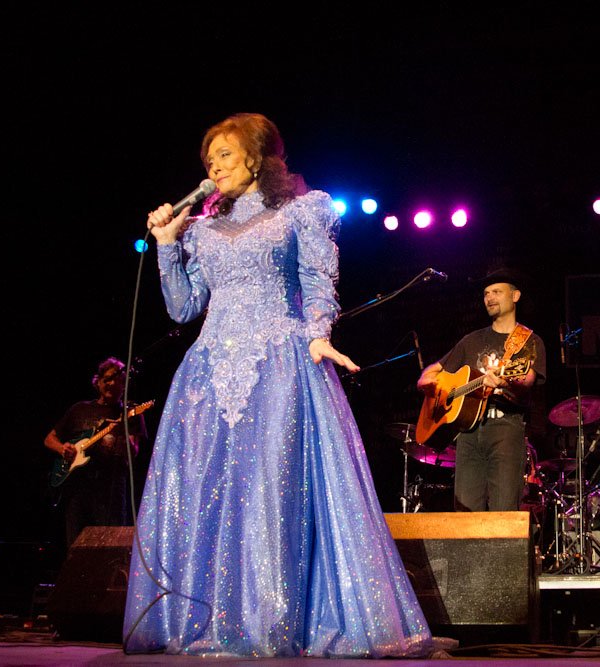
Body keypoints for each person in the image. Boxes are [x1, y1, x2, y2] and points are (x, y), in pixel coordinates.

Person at [126, 113, 431, 657]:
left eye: (224, 153)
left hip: (279, 362)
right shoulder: (202, 228)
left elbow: (318, 280)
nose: (213, 165)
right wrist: (169, 245)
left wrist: (317, 335)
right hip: (210, 372)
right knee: (208, 493)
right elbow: (184, 307)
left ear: (256, 155)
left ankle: (274, 620)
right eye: (208, 158)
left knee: (272, 486)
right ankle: (208, 618)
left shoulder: (300, 211)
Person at [417, 269, 546, 511]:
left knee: (503, 514)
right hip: (468, 434)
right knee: (465, 514)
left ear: (515, 296)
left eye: (497, 292)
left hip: (506, 430)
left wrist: (505, 382)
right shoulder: (470, 341)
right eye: (486, 293)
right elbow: (429, 374)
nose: (489, 298)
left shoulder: (530, 341)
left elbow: (526, 381)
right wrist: (431, 385)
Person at [44, 357, 146, 550]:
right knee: (76, 546)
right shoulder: (79, 409)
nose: (112, 383)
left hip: (111, 490)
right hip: (78, 488)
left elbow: (133, 454)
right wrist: (63, 448)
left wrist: (122, 433)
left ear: (124, 384)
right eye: (107, 379)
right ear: (98, 382)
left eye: (118, 380)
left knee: (109, 548)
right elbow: (49, 439)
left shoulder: (131, 412)